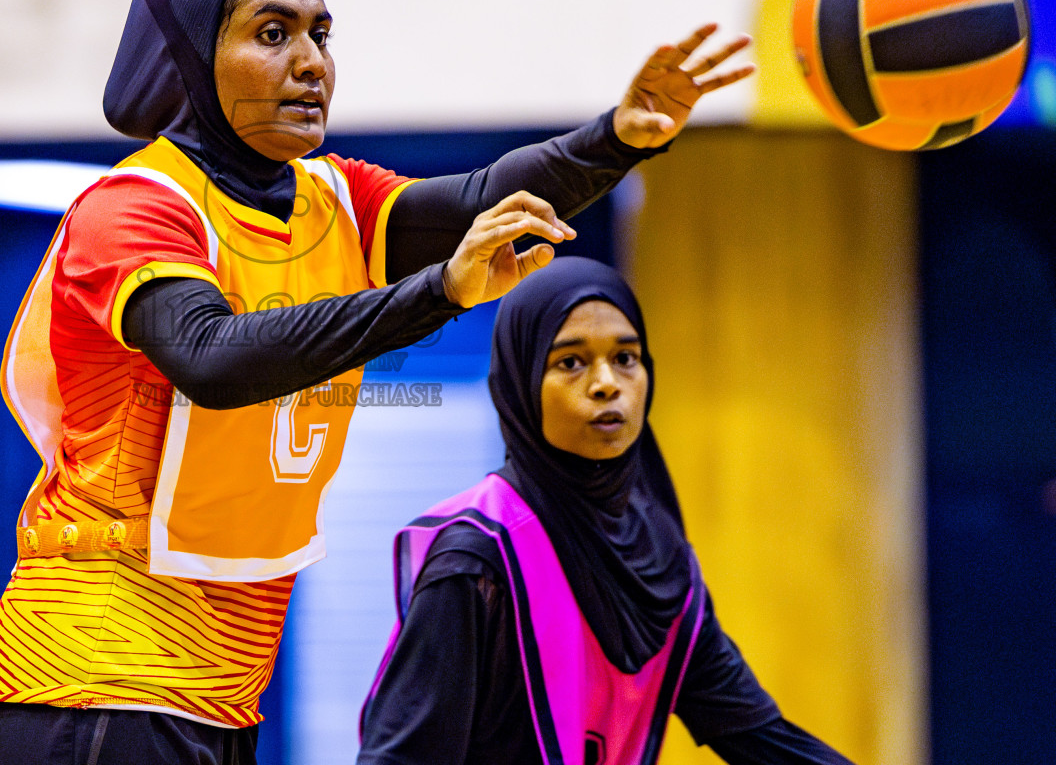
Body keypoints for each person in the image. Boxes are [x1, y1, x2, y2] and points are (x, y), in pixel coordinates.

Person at [0, 0, 752, 765]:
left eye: (320, 34)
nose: (311, 61)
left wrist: (620, 137)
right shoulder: (133, 207)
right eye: (272, 34)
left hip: (221, 687)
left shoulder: (335, 197)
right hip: (88, 671)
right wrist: (439, 292)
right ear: (193, 56)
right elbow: (214, 359)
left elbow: (488, 198)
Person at [357, 258, 853, 765]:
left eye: (625, 358)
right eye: (570, 362)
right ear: (521, 382)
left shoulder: (659, 558)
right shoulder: (476, 556)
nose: (605, 383)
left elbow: (762, 740)